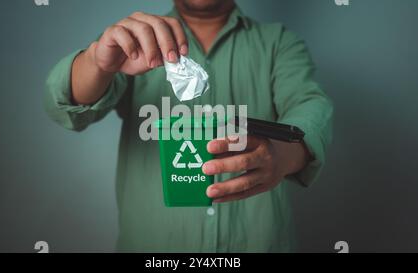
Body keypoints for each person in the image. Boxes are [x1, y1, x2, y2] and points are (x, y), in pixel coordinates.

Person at [44, 0, 333, 252]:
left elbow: (310, 107)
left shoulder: (279, 43)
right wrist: (97, 64)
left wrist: (284, 155)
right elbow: (69, 109)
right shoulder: (132, 43)